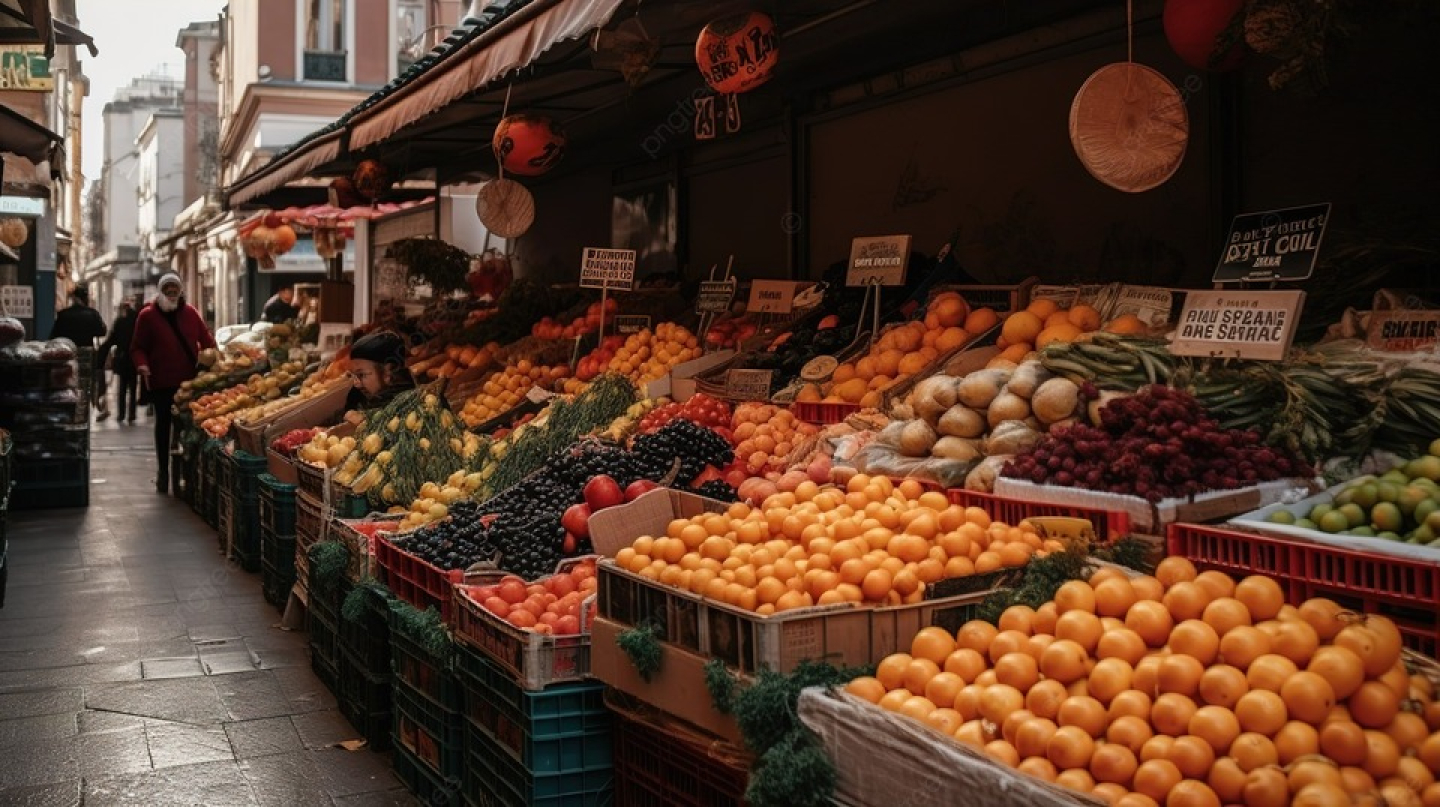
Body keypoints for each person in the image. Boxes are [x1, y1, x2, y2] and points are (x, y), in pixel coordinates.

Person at [132, 273, 215, 494]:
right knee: (163, 425)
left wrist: (216, 360)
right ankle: (163, 471)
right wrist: (142, 365)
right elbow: (137, 347)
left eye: (174, 287)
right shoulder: (147, 316)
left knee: (186, 427)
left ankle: (185, 473)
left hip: (188, 384)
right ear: (161, 290)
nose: (171, 291)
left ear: (180, 290)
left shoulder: (190, 313)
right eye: (167, 287)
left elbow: (207, 340)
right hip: (161, 382)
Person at [50, 286, 110, 419]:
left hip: (68, 357)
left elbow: (54, 336)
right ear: (85, 298)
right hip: (87, 358)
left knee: (68, 386)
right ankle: (84, 413)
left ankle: (71, 413)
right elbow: (102, 331)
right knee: (86, 387)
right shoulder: (92, 314)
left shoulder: (63, 314)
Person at [344, 330, 417, 413]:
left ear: (387, 372)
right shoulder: (363, 398)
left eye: (361, 375)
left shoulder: (404, 408)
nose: (356, 384)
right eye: (354, 375)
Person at [99, 300, 139, 423]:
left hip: (122, 358)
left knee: (122, 388)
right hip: (134, 359)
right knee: (132, 388)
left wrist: (101, 353)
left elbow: (111, 339)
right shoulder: (137, 322)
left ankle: (121, 414)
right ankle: (132, 415)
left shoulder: (120, 322)